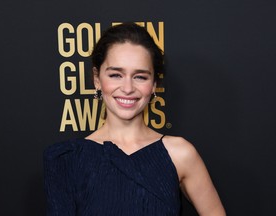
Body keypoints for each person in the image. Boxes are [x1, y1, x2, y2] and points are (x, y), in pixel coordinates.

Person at [44, 22, 226, 216]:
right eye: (116, 75)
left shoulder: (180, 154)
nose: (128, 88)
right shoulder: (67, 159)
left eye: (140, 77)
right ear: (97, 79)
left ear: (154, 84)